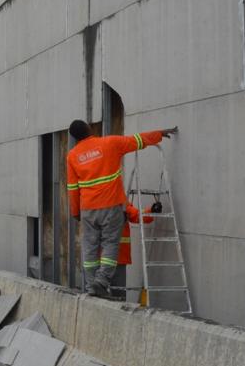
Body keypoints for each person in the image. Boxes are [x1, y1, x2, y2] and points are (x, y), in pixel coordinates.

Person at [66, 119, 177, 296]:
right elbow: (137, 140)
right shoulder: (109, 143)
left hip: (87, 209)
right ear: (89, 128)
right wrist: (159, 134)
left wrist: (75, 212)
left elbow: (72, 188)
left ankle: (90, 286)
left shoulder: (72, 156)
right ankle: (101, 282)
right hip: (111, 205)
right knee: (111, 243)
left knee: (89, 248)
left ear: (75, 138)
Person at [110, 200, 159, 299]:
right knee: (99, 295)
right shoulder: (97, 201)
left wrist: (151, 211)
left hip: (118, 258)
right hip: (103, 259)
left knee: (119, 296)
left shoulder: (121, 201)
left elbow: (136, 215)